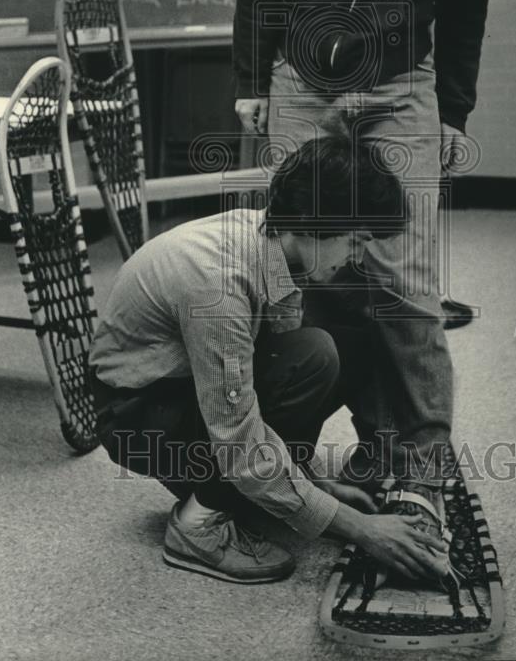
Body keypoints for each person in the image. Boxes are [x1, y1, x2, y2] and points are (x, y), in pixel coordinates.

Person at [232, 0, 508, 521]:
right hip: (303, 78)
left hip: (403, 82)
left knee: (405, 278)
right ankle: (290, 457)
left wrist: (452, 107)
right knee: (308, 269)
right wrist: (252, 77)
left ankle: (419, 467)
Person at [88, 137, 449, 584]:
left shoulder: (272, 245)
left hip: (182, 389)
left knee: (321, 351)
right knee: (308, 360)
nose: (358, 256)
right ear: (310, 221)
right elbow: (239, 440)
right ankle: (198, 525)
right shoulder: (217, 284)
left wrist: (316, 490)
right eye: (356, 241)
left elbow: (265, 371)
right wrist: (361, 529)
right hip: (135, 415)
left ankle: (251, 495)